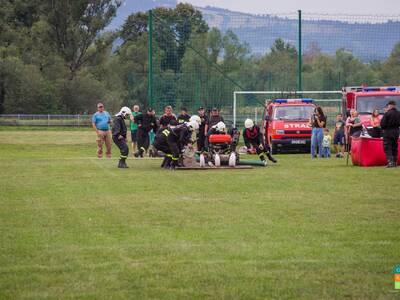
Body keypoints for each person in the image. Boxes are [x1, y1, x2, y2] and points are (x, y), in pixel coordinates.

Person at [380, 100, 400, 167]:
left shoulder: (387, 113)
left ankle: (390, 162)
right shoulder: (398, 113)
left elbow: (382, 124)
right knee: (394, 147)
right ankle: (395, 162)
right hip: (396, 132)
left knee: (388, 147)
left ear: (390, 105)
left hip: (388, 132)